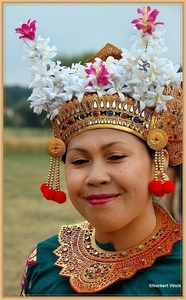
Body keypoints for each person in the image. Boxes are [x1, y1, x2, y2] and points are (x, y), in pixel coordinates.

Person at [15, 6, 182, 296]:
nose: (96, 177)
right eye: (79, 160)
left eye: (116, 156)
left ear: (159, 160)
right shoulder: (44, 261)